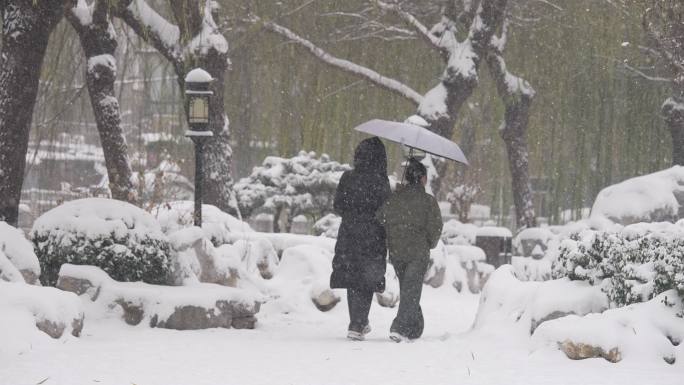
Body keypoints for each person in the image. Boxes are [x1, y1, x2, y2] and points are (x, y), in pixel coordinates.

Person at [330, 137, 391, 341]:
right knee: (366, 278)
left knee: (352, 277)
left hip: (349, 234)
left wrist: (352, 213)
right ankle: (358, 323)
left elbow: (338, 206)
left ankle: (357, 322)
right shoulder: (381, 181)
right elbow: (386, 212)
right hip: (372, 236)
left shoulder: (348, 177)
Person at [376, 157, 443, 342]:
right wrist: (428, 243)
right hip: (417, 252)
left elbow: (381, 217)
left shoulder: (395, 199)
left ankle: (415, 327)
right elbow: (435, 228)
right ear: (422, 179)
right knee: (411, 290)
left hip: (397, 251)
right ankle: (400, 327)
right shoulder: (428, 201)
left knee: (408, 289)